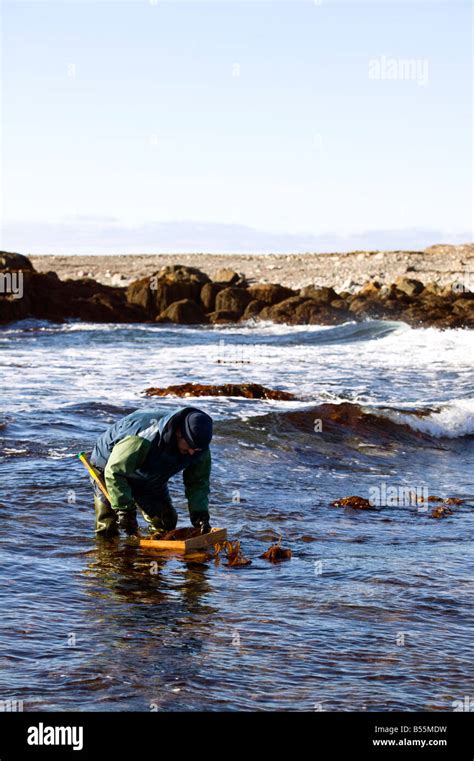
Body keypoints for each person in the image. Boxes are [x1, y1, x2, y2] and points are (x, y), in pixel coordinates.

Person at [89, 406, 213, 538]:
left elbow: (198, 482)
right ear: (178, 433)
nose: (192, 452)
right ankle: (108, 556)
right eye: (189, 446)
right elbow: (115, 472)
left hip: (149, 473)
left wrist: (200, 514)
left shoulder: (199, 447)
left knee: (166, 522)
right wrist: (124, 510)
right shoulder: (144, 438)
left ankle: (149, 555)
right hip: (109, 466)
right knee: (108, 526)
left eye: (197, 449)